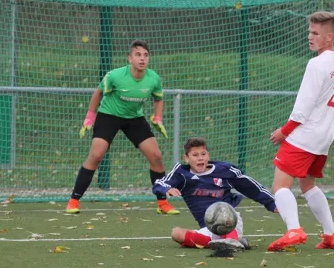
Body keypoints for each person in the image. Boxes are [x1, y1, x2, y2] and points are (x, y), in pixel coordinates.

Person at [65, 40, 179, 215]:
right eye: (138, 55)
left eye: (146, 55)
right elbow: (98, 93)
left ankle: (162, 203)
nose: (142, 59)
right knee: (96, 155)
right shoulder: (115, 76)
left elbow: (158, 97)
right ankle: (73, 200)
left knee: (156, 156)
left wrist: (157, 117)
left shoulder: (153, 78)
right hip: (108, 116)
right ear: (130, 58)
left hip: (134, 118)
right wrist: (90, 116)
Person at [267, 11, 334, 252]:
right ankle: (331, 234)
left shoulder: (317, 64)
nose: (309, 36)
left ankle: (294, 230)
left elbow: (304, 104)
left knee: (280, 186)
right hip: (323, 135)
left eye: (315, 33)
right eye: (309, 31)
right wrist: (326, 127)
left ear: (329, 37)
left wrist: (285, 131)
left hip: (306, 133)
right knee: (308, 184)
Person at [152, 137, 277, 252]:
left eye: (203, 154)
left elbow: (250, 187)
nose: (200, 158)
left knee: (223, 210)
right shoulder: (182, 174)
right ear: (186, 158)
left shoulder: (224, 170)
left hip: (231, 222)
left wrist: (271, 203)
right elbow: (159, 183)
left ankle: (231, 239)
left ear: (208, 155)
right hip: (209, 228)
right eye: (195, 155)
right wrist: (165, 189)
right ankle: (225, 243)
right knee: (176, 233)